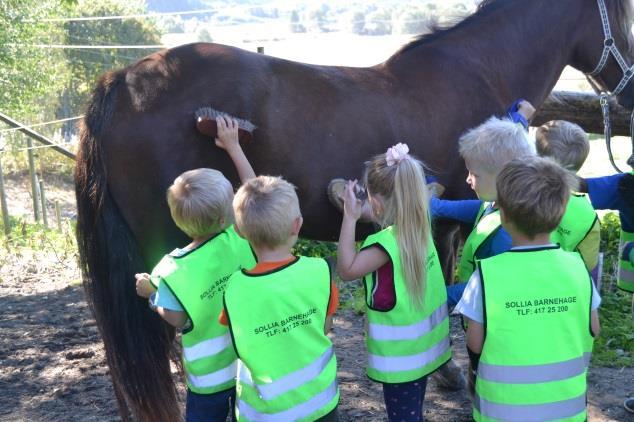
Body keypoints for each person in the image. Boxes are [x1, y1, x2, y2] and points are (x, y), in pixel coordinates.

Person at [457, 156, 601, 421]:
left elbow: (474, 342)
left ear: (503, 214)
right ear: (563, 209)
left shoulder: (485, 276)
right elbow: (594, 327)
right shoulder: (579, 269)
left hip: (501, 410)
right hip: (567, 409)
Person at [134, 116, 257, 421]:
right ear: (222, 219)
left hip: (208, 378)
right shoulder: (240, 237)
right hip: (250, 363)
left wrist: (152, 294)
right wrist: (234, 147)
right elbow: (253, 190)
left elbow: (175, 317)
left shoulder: (170, 270)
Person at [337, 143, 451, 421]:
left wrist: (350, 217)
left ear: (375, 202)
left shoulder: (382, 247)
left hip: (401, 361)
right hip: (425, 350)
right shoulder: (420, 225)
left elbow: (347, 270)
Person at [221, 175, 340, 421]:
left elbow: (235, 335)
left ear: (239, 232)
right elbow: (325, 326)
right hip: (319, 403)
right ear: (297, 225)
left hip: (264, 412)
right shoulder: (319, 271)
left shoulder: (235, 287)